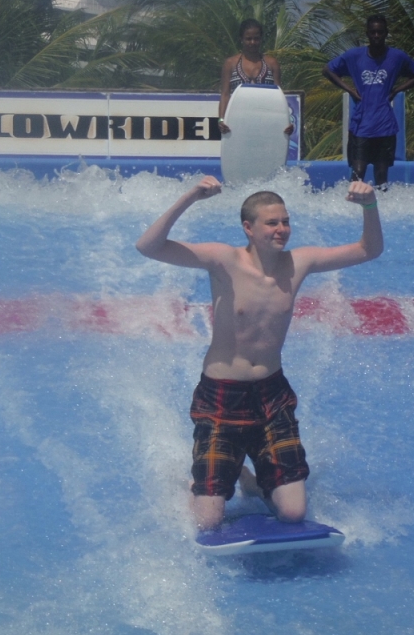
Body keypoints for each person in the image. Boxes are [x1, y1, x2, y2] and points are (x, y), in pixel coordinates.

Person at [135, 177, 383, 529]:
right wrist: (190, 196)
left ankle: (250, 478)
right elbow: (148, 246)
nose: (282, 229)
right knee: (207, 522)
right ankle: (207, 482)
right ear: (248, 228)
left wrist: (369, 206)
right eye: (272, 223)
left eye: (286, 221)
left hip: (271, 394)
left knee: (293, 513)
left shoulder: (300, 262)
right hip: (222, 395)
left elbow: (369, 249)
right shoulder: (223, 260)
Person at [323, 15, 414, 188]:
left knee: (381, 176)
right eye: (373, 32)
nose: (376, 36)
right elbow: (327, 70)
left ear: (386, 33)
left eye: (380, 32)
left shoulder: (396, 57)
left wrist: (398, 89)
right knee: (357, 173)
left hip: (385, 125)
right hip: (361, 124)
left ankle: (380, 212)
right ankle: (353, 210)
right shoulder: (355, 56)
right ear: (367, 34)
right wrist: (349, 89)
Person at [218, 19, 292, 136]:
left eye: (256, 38)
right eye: (248, 39)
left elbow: (278, 96)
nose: (252, 42)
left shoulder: (272, 63)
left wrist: (287, 121)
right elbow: (225, 94)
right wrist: (221, 119)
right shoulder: (230, 63)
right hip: (237, 122)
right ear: (241, 39)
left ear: (261, 39)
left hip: (266, 122)